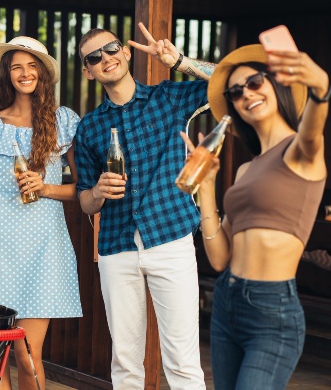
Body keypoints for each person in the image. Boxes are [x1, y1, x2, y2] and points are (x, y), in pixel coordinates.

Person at [74, 23, 216, 390]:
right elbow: (85, 201)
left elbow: (232, 82)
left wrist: (181, 61)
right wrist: (99, 192)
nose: (105, 58)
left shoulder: (169, 98)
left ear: (126, 52)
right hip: (116, 249)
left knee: (183, 362)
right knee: (124, 362)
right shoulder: (89, 128)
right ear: (88, 72)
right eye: (94, 57)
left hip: (170, 240)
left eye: (111, 48)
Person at [186, 44, 328, 390]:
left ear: (275, 83)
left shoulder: (300, 152)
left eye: (254, 82)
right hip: (226, 301)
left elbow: (312, 132)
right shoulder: (246, 169)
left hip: (271, 308)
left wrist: (321, 90)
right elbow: (220, 258)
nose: (246, 94)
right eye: (235, 92)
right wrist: (206, 190)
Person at [0, 36, 82, 390]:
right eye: (16, 67)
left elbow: (83, 189)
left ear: (43, 72)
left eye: (32, 66)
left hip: (44, 250)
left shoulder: (65, 121)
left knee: (28, 355)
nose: (25, 73)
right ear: (6, 75)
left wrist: (44, 187)